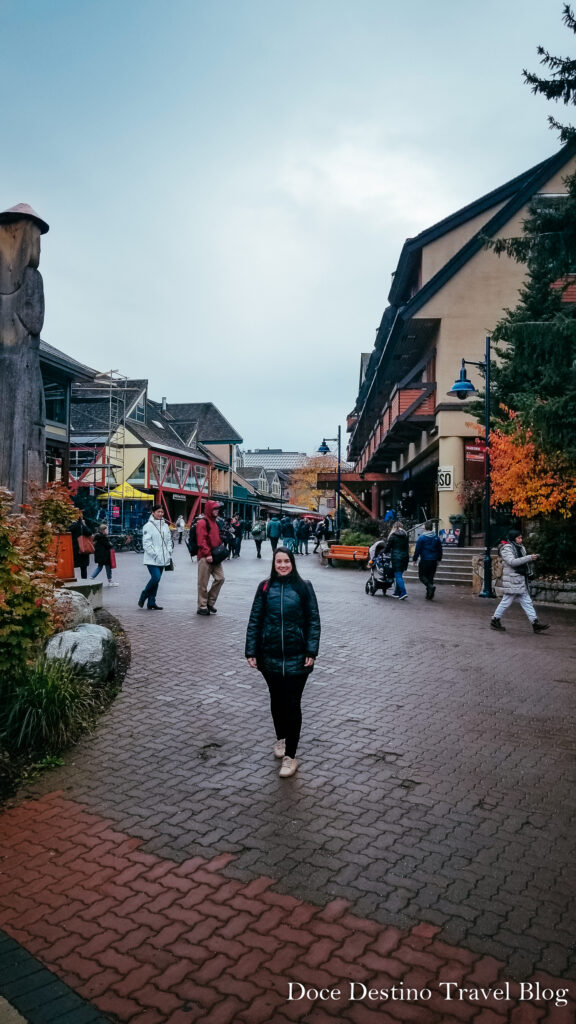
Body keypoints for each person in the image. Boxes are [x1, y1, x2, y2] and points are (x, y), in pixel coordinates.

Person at [245, 548, 321, 778]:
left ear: (293, 563)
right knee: (277, 701)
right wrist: (251, 651)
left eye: (286, 561)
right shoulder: (265, 587)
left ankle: (291, 756)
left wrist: (311, 650)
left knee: (292, 704)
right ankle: (281, 739)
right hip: (270, 656)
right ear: (274, 564)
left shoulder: (303, 587)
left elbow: (313, 620)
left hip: (298, 656)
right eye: (278, 561)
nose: (282, 565)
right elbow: (255, 620)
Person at [490, 530, 550, 633]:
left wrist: (529, 568)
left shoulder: (520, 547)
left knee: (527, 602)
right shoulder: (506, 548)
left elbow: (523, 563)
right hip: (513, 580)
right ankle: (495, 620)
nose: (520, 540)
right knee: (506, 601)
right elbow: (512, 562)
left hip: (520, 579)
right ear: (513, 538)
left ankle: (535, 623)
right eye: (518, 538)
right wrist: (529, 557)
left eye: (521, 538)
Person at [138, 504, 173, 611]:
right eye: (158, 512)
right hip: (152, 558)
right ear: (153, 512)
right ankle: (144, 594)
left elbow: (168, 540)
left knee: (157, 581)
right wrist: (155, 554)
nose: (160, 514)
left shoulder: (165, 525)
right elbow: (147, 544)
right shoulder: (148, 526)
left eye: (162, 512)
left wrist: (169, 551)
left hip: (163, 558)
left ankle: (152, 602)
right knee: (156, 578)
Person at [196, 499, 226, 616]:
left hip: (215, 555)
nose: (217, 511)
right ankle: (202, 606)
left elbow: (215, 538)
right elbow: (201, 540)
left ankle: (209, 602)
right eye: (214, 508)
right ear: (209, 509)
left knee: (220, 578)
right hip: (205, 556)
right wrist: (207, 554)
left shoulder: (215, 522)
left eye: (217, 509)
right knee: (203, 583)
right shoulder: (202, 523)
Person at [412, 521, 443, 600]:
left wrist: (414, 559)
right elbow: (440, 549)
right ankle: (429, 595)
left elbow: (417, 549)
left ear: (425, 528)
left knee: (422, 576)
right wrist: (439, 559)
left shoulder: (422, 538)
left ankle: (430, 587)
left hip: (425, 560)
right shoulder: (436, 537)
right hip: (434, 560)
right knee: (430, 577)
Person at [384, 520, 409, 600]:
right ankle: (397, 592)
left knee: (397, 576)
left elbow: (388, 547)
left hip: (396, 557)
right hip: (405, 557)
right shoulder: (406, 535)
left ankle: (403, 592)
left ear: (394, 527)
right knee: (399, 575)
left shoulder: (393, 536)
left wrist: (383, 551)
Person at [70, 513, 93, 580]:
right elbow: (89, 533)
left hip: (74, 548)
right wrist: (84, 524)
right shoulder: (81, 525)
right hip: (82, 547)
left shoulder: (72, 526)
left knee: (72, 565)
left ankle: (72, 578)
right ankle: (84, 580)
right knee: (83, 567)